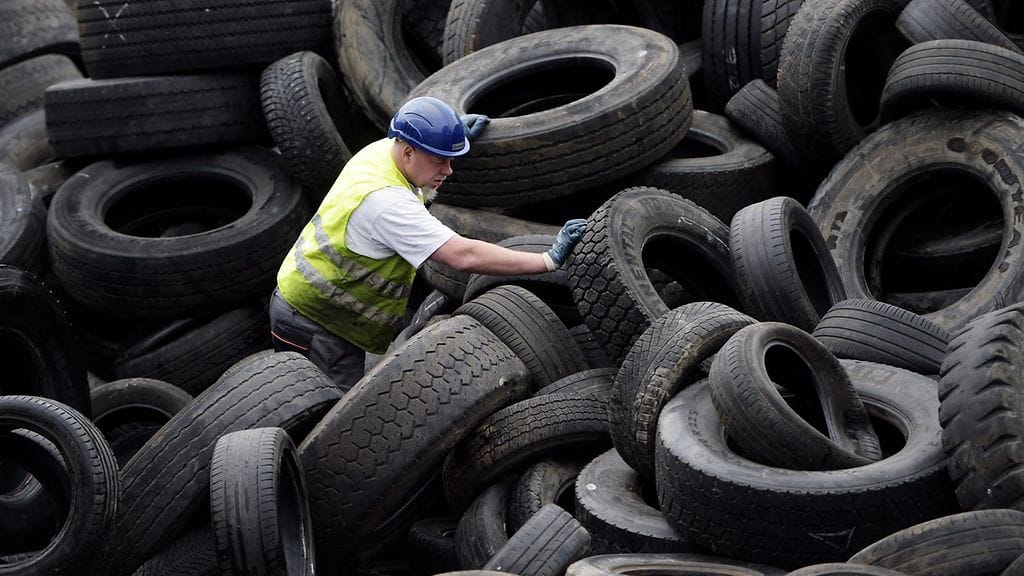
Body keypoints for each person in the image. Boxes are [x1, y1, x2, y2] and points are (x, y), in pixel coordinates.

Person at [269, 96, 588, 391]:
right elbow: (461, 255)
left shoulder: (385, 153)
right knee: (333, 419)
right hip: (315, 320)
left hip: (317, 305)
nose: (448, 170)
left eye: (451, 159)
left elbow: (420, 176)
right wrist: (547, 260)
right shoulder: (386, 204)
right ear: (408, 151)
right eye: (440, 161)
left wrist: (449, 139)